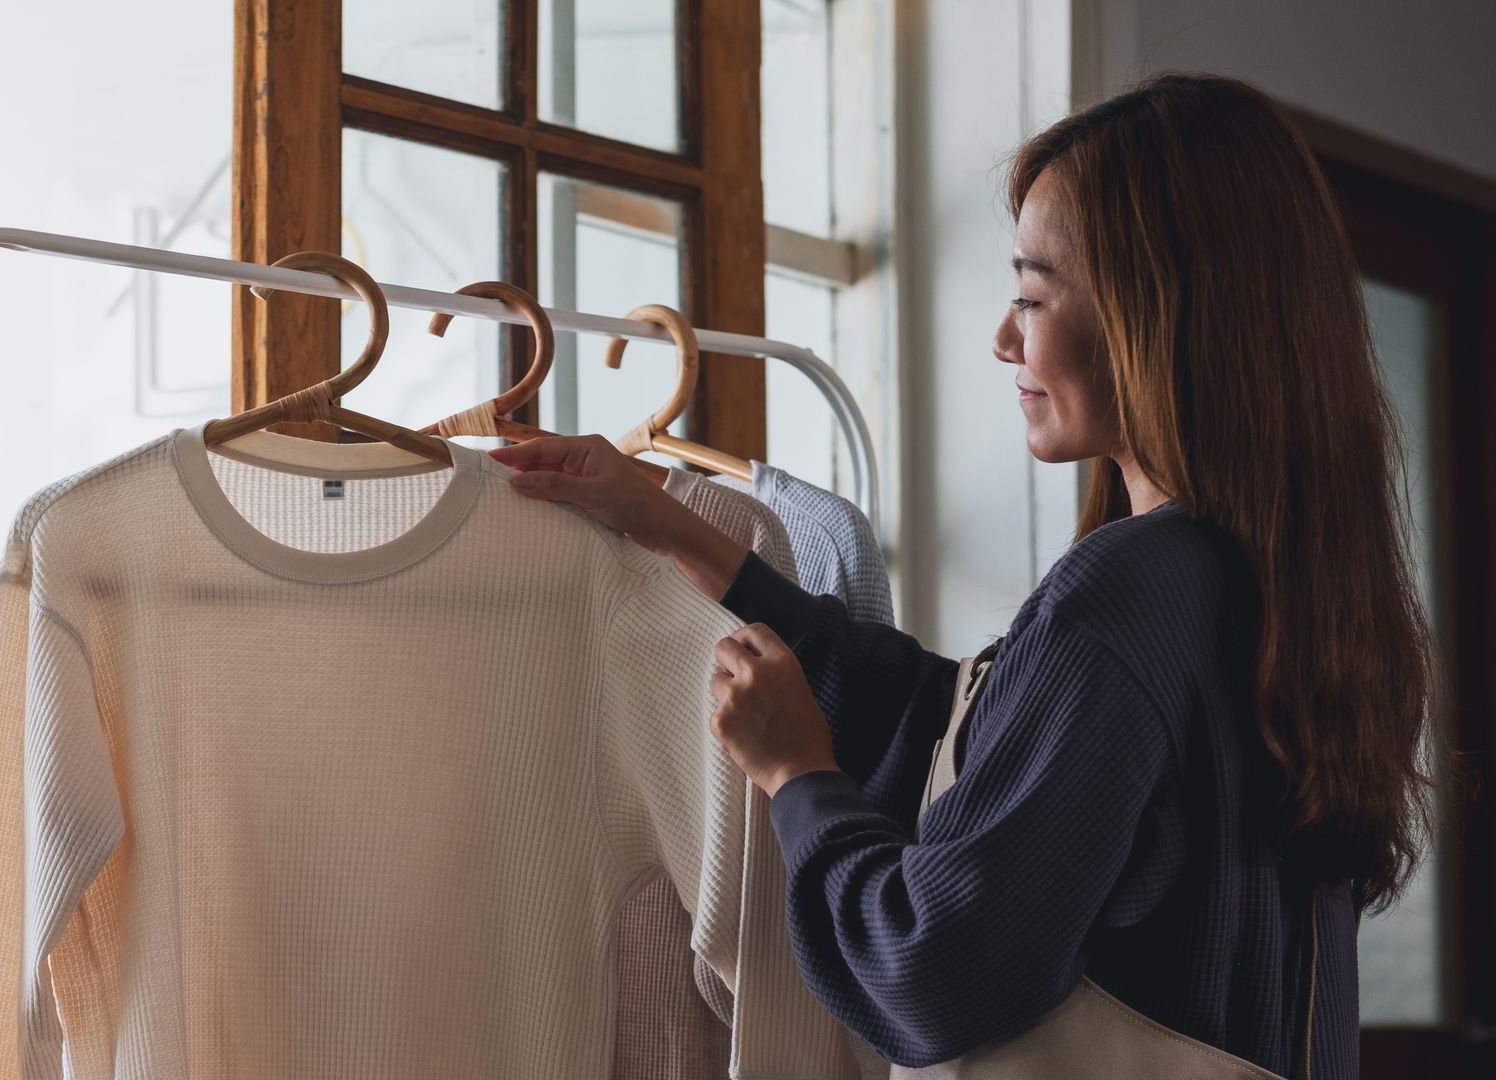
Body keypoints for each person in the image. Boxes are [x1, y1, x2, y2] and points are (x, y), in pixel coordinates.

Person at [489, 73, 1433, 1079]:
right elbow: (966, 730)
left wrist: (798, 781)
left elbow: (932, 970)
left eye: (1032, 292)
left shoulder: (1127, 592)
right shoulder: (1277, 587)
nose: (1002, 339)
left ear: (1157, 310)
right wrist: (685, 533)